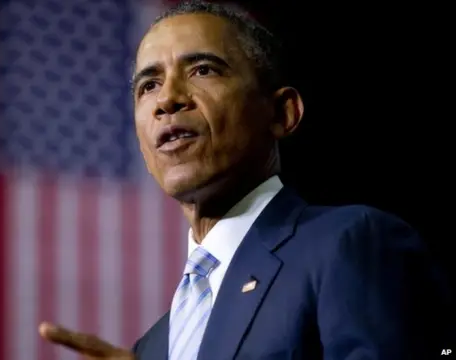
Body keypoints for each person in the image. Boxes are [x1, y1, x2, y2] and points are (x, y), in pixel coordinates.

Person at [38, 1, 453, 359]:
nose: (167, 100)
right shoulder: (152, 347)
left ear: (281, 114)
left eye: (202, 70)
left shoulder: (349, 244)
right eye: (149, 85)